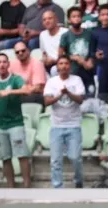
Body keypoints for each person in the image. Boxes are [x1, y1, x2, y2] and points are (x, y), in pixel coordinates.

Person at [0, 53, 32, 188]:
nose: (2, 64)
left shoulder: (15, 79)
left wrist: (9, 92)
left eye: (4, 62)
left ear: (9, 64)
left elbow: (26, 90)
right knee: (5, 158)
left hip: (15, 124)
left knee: (22, 155)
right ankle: (11, 187)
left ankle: (27, 185)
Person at [43, 56, 86, 189]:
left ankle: (78, 180)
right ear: (57, 66)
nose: (63, 66)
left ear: (70, 66)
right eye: (60, 63)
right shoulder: (51, 82)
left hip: (73, 125)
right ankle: (57, 187)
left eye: (66, 63)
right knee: (55, 160)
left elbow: (80, 100)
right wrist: (59, 95)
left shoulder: (76, 80)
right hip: (56, 125)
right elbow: (47, 102)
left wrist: (68, 92)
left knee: (75, 158)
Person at [59, 6, 95, 95]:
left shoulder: (89, 34)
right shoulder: (65, 36)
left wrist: (91, 60)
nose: (76, 19)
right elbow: (60, 55)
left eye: (78, 16)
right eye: (73, 17)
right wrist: (75, 58)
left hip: (88, 71)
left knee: (90, 95)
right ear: (69, 20)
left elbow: (93, 51)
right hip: (73, 71)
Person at [39, 10, 68, 74]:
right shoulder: (42, 34)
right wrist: (45, 60)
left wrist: (55, 61)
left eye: (50, 18)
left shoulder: (65, 32)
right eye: (44, 20)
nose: (47, 21)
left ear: (56, 20)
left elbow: (69, 54)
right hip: (48, 64)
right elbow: (44, 53)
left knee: (54, 70)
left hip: (64, 63)